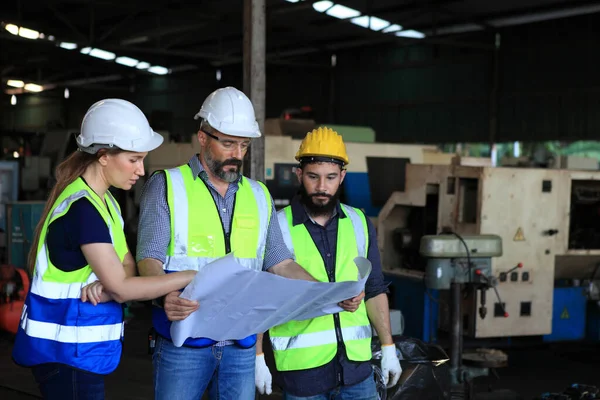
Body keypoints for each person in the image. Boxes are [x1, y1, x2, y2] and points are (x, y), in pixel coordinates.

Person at [136, 86, 363, 400]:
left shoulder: (258, 195)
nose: (237, 155)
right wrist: (165, 296)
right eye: (228, 143)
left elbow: (281, 262)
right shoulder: (167, 185)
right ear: (202, 137)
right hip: (184, 342)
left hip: (240, 346)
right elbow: (148, 258)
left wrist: (325, 295)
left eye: (243, 145)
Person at [11, 99, 197, 400]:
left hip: (80, 356)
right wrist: (189, 275)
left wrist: (112, 286)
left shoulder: (106, 203)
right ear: (104, 156)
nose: (141, 170)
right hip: (65, 358)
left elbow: (126, 269)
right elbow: (124, 286)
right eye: (134, 159)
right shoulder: (83, 210)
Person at [255, 127, 402, 399]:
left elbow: (374, 288)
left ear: (342, 177)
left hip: (357, 371)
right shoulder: (276, 225)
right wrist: (258, 355)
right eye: (313, 177)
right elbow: (261, 296)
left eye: (331, 177)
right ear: (299, 175)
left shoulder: (360, 222)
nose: (322, 187)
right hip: (303, 374)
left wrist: (388, 346)